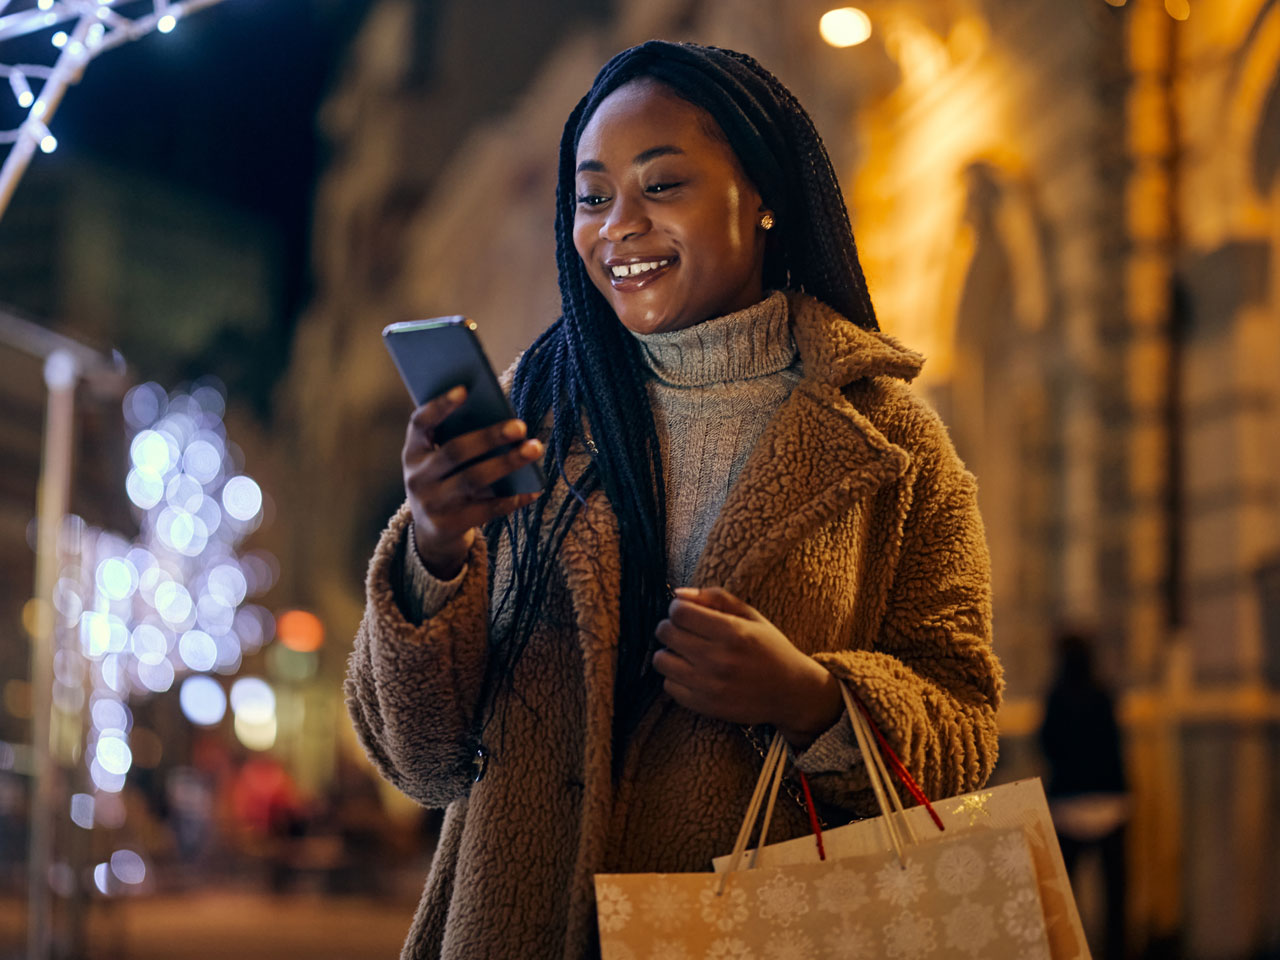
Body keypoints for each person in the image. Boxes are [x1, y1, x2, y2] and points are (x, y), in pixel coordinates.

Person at [346, 40, 1004, 960]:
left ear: (764, 195)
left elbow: (966, 730)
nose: (617, 225)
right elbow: (419, 762)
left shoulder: (892, 445)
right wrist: (434, 550)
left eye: (661, 186)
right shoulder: (532, 414)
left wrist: (812, 700)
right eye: (591, 195)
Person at [1039, 630, 1128, 959]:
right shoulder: (1104, 693)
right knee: (1116, 899)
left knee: (1063, 898)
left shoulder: (1055, 696)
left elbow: (1048, 745)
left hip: (1067, 805)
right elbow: (1115, 748)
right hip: (1111, 803)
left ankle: (1067, 953)